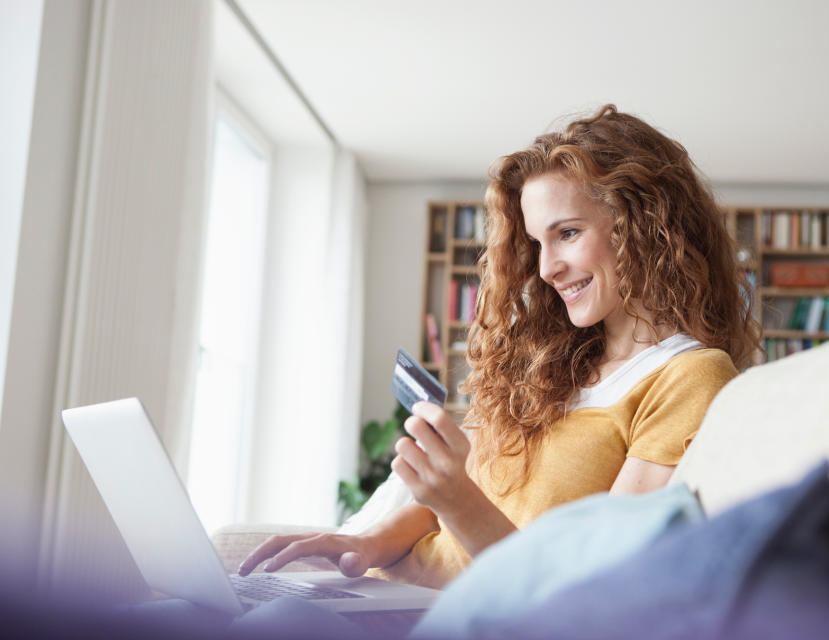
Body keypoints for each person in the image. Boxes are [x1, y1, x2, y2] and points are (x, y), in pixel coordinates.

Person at [239, 104, 761, 590]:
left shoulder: (689, 376)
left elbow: (592, 592)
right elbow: (438, 504)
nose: (546, 268)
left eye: (569, 233)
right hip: (392, 594)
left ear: (645, 227)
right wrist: (363, 544)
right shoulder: (554, 364)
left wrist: (458, 501)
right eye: (537, 242)